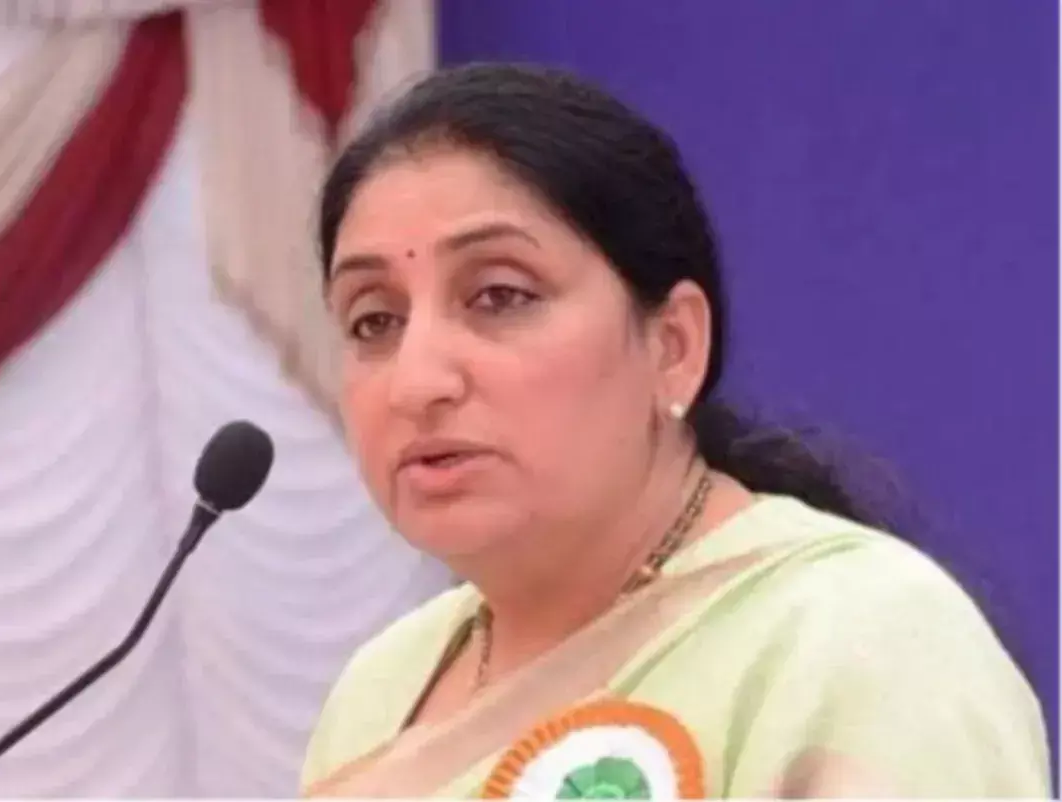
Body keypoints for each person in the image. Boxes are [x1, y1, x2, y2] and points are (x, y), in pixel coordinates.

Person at [297, 63, 1050, 798]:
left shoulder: (860, 640)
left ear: (674, 347)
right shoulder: (381, 689)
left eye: (499, 296)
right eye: (375, 321)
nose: (418, 381)